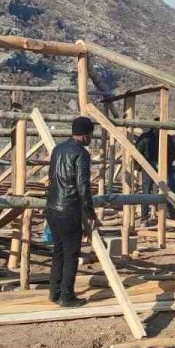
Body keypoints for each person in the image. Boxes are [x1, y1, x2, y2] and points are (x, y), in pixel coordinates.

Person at [45, 116, 98, 307]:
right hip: (69, 209)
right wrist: (90, 212)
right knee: (71, 255)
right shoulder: (81, 154)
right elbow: (83, 186)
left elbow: (52, 178)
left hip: (52, 208)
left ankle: (54, 292)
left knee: (58, 252)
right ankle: (67, 296)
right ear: (85, 135)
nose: (91, 138)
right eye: (91, 134)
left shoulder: (57, 149)